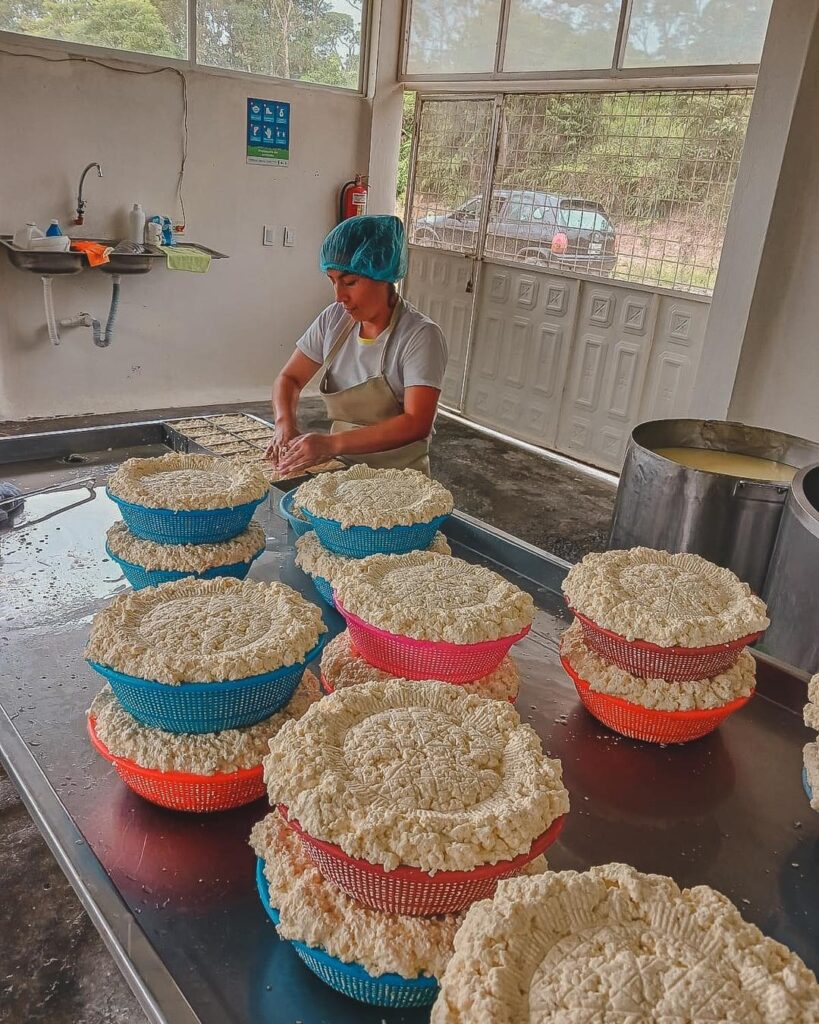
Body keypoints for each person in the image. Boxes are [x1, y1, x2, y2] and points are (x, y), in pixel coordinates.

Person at [268, 214, 448, 477]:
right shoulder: (334, 320)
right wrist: (283, 423)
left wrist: (331, 444)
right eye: (332, 281)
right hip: (340, 469)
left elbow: (416, 422)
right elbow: (290, 378)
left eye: (350, 282)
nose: (339, 296)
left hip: (399, 478)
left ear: (382, 275)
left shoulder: (420, 335)